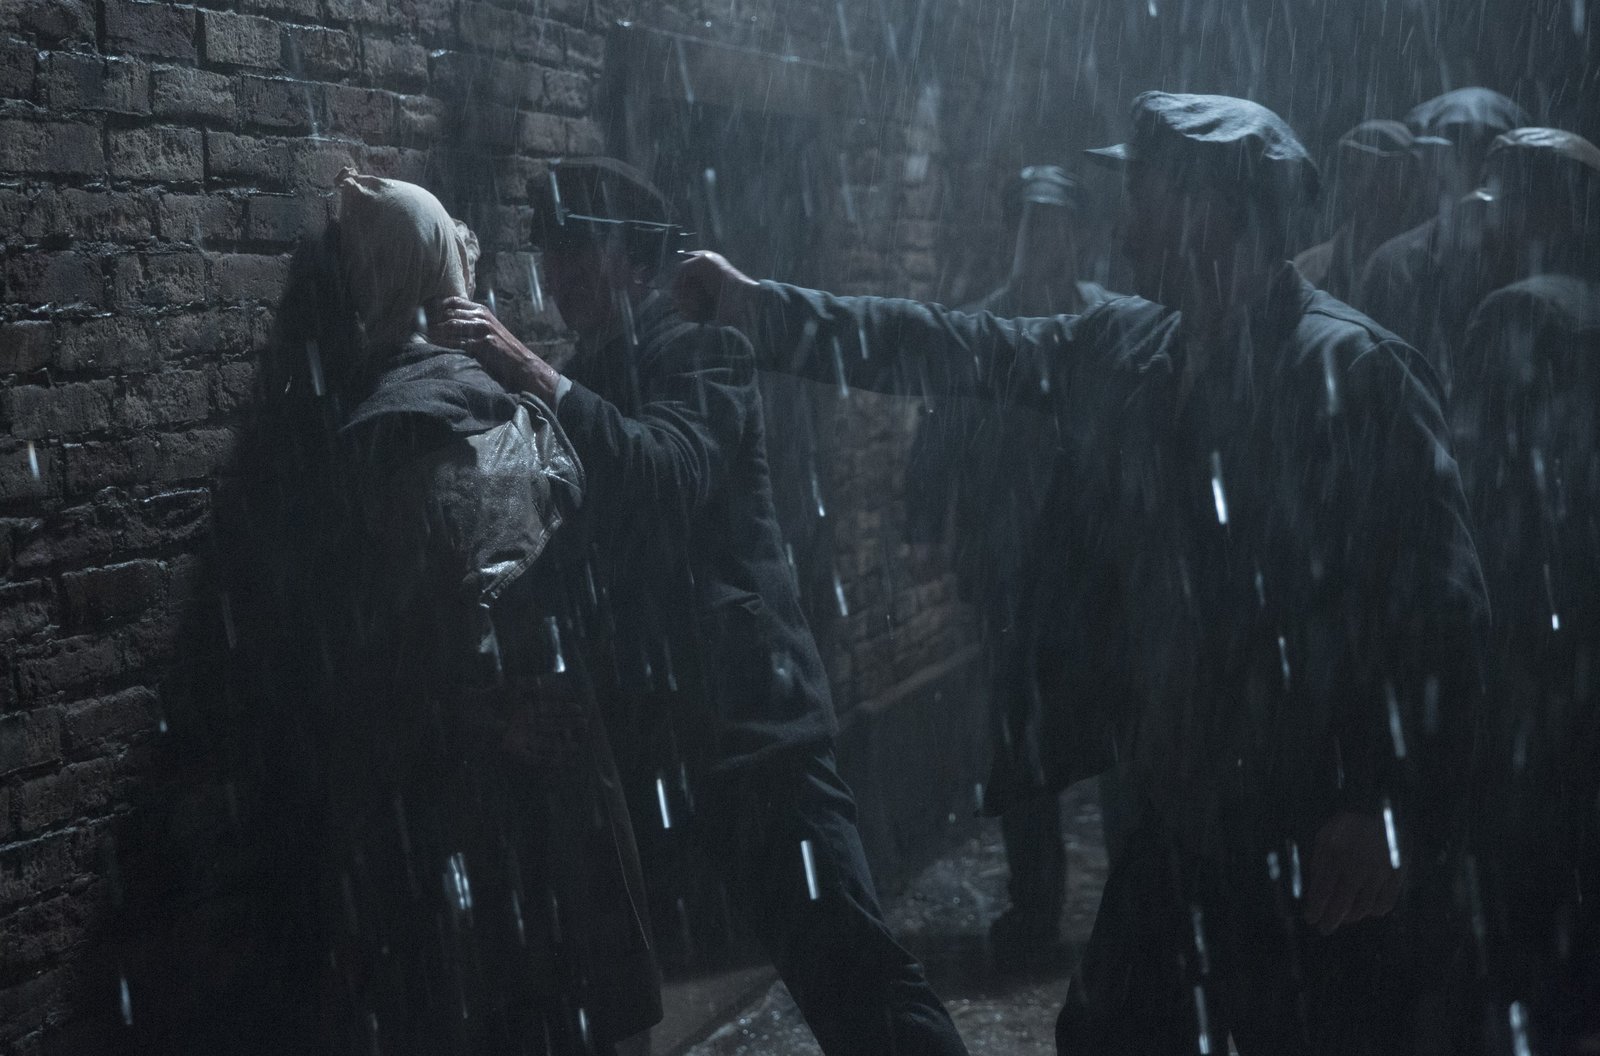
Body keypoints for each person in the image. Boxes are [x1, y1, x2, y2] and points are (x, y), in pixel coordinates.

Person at [676, 92, 1489, 1054]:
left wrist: (1390, 803)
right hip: (1180, 823)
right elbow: (956, 345)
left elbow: (1444, 611)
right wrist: (761, 310)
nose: (1125, 226)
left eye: (1144, 197)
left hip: (1310, 836)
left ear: (1211, 211)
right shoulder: (1131, 346)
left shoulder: (1356, 374)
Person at [428, 157, 971, 1056]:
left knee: (853, 974)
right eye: (551, 251)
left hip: (755, 729)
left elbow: (664, 473)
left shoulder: (699, 347)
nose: (559, 272)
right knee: (624, 989)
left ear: (637, 259)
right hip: (655, 739)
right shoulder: (587, 370)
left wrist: (524, 368)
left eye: (580, 249)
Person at [238, 169, 659, 1055]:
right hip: (522, 802)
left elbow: (374, 650)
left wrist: (477, 709)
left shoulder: (387, 433)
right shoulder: (482, 417)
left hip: (452, 808)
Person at [903, 164, 1116, 972]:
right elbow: (943, 423)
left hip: (1092, 566)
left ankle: (1136, 906)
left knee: (1111, 729)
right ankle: (1036, 906)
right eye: (1032, 223)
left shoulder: (1106, 324)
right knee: (1019, 740)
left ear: (1076, 234)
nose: (1044, 239)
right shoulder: (987, 326)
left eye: (1056, 224)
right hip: (1011, 563)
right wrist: (926, 522)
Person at [1446, 128, 1600, 1056]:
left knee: (1520, 889)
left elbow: (1476, 492)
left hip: (1531, 652)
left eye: (1503, 203)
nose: (1486, 223)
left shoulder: (1514, 313)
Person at [1357, 87, 1532, 387]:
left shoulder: (1531, 260)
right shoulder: (1394, 263)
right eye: (1460, 151)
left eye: (1481, 152)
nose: (1475, 168)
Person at [1293, 119, 1444, 303]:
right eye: (1356, 169)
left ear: (1411, 180)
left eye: (1387, 172)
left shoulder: (1430, 267)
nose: (1370, 183)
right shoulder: (1307, 268)